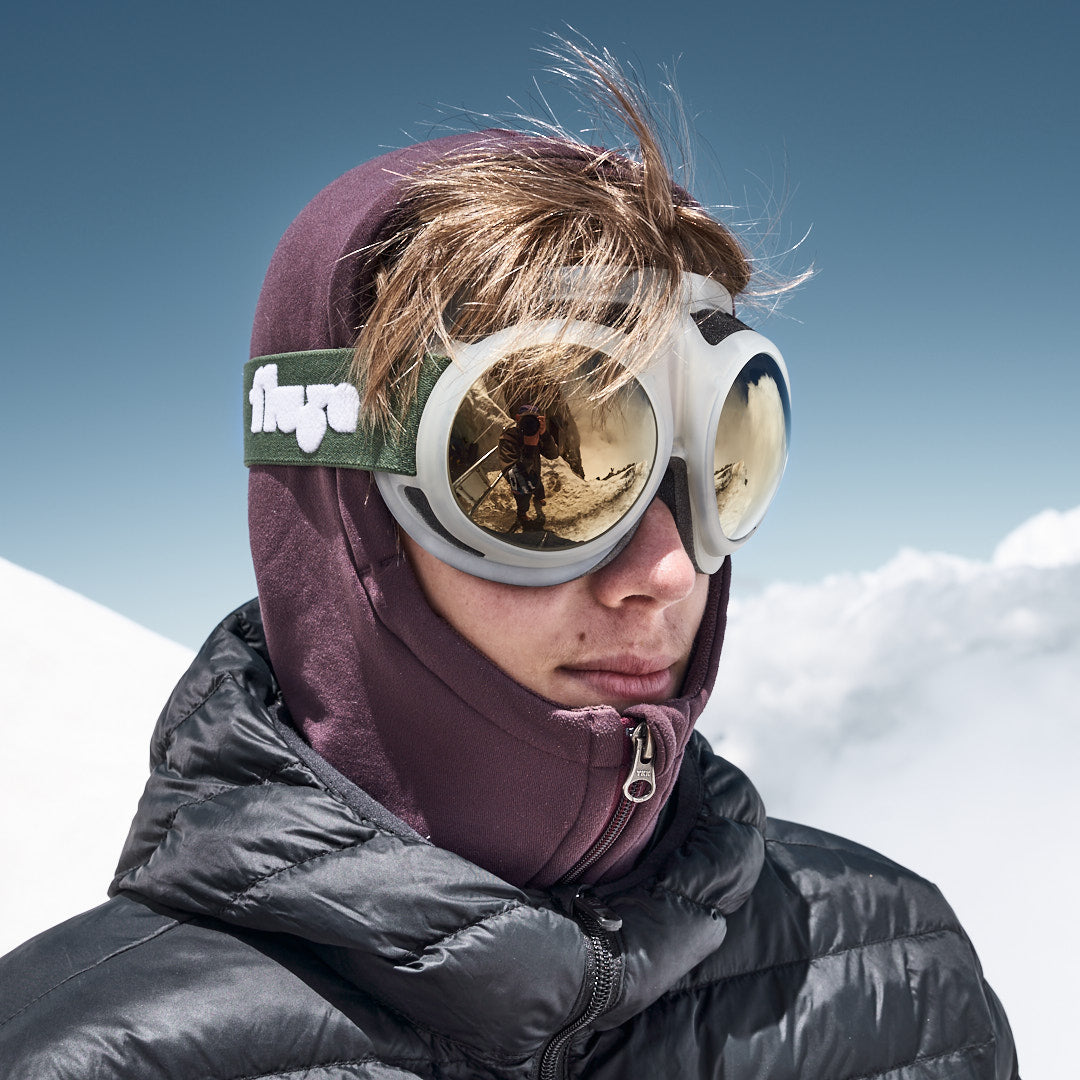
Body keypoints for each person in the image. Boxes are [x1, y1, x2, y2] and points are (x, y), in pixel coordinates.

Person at [0, 49, 1018, 1079]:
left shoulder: (903, 980)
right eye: (538, 459)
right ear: (345, 506)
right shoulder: (78, 1059)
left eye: (723, 460)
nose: (666, 574)